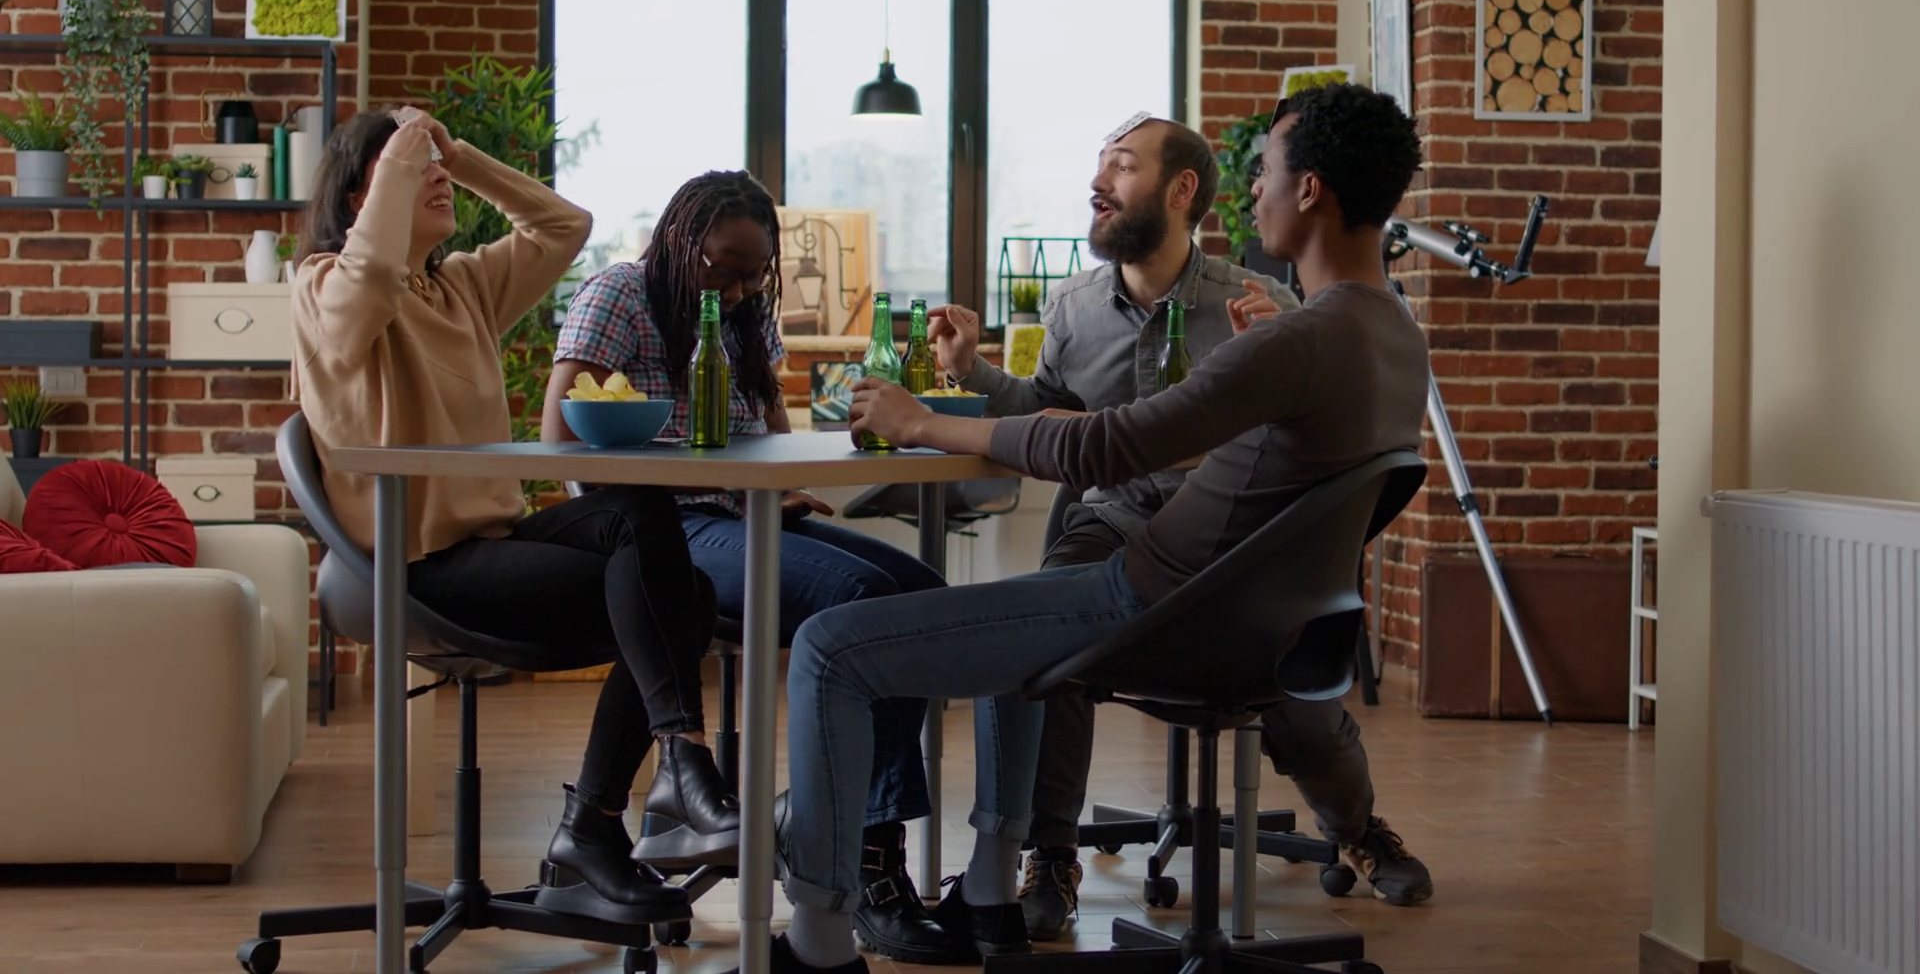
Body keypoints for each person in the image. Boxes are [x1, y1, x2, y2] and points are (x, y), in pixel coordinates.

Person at [750, 84, 1431, 974]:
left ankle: (819, 946)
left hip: (1157, 608)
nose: (1254, 190)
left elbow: (1105, 445)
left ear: (1309, 190)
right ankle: (992, 894)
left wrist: (923, 423)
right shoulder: (1395, 332)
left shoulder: (1293, 336)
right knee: (1008, 619)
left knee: (827, 649)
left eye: (1265, 171)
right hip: (1239, 618)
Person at [926, 117, 1432, 937]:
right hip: (1115, 516)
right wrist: (972, 374)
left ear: (1180, 190)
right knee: (1050, 620)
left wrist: (927, 422)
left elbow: (1294, 439)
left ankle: (1357, 828)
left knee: (1288, 666)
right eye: (1099, 165)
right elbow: (1050, 412)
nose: (1098, 183)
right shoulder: (1072, 307)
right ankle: (1050, 852)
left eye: (1122, 166)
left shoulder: (1261, 303)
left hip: (1232, 530)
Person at [290, 109, 712, 927]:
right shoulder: (322, 287)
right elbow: (363, 291)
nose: (432, 177)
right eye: (409, 170)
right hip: (412, 565)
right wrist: (401, 155)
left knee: (661, 546)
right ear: (358, 201)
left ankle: (636, 792)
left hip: (490, 539)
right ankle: (626, 806)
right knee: (674, 602)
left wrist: (459, 157)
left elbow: (564, 226)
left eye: (433, 169)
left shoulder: (461, 288)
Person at [542, 170, 965, 964]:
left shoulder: (745, 318)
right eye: (723, 269)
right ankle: (858, 870)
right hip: (662, 529)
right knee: (867, 600)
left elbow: (771, 431)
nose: (736, 291)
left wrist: (784, 482)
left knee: (922, 595)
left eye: (752, 274)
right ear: (680, 240)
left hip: (745, 512)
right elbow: (559, 440)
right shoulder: (619, 295)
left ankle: (865, 847)